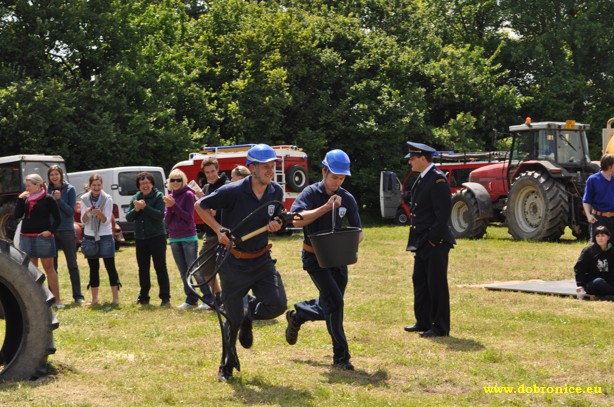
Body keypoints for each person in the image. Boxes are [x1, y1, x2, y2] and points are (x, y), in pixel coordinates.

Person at [195, 143, 287, 381]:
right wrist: (218, 230)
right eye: (265, 166)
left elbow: (277, 216)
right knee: (232, 319)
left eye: (272, 165)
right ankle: (226, 365)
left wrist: (277, 224)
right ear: (252, 168)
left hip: (262, 261)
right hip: (233, 263)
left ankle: (248, 315)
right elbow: (200, 206)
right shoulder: (233, 190)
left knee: (277, 305)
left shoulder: (275, 191)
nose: (270, 170)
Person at [285, 149, 364, 371]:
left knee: (331, 303)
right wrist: (326, 207)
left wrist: (352, 244)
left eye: (342, 178)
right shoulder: (310, 194)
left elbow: (359, 231)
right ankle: (341, 357)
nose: (337, 182)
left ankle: (299, 314)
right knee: (336, 303)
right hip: (314, 258)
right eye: (334, 177)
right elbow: (296, 221)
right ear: (323, 171)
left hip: (339, 259)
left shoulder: (347, 197)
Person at [403, 142, 456, 338]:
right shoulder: (423, 178)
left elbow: (442, 215)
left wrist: (433, 240)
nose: (409, 161)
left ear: (422, 158)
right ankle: (423, 321)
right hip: (422, 241)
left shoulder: (437, 180)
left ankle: (440, 326)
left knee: (436, 284)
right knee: (420, 281)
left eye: (412, 158)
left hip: (435, 242)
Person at [14, 174, 64, 308]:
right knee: (32, 271)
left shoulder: (48, 199)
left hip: (43, 238)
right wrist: (20, 199)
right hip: (27, 238)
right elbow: (16, 215)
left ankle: (57, 300)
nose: (27, 188)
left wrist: (50, 232)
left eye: (29, 185)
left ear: (37, 185)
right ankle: (37, 301)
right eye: (26, 186)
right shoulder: (25, 199)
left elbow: (58, 219)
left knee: (49, 268)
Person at [126, 172, 171, 306]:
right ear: (139, 186)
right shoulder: (135, 197)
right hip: (141, 238)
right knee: (143, 268)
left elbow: (159, 215)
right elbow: (129, 217)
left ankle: (165, 297)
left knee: (160, 267)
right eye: (142, 183)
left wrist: (144, 207)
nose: (145, 185)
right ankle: (144, 296)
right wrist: (137, 209)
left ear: (152, 184)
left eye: (147, 183)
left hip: (157, 236)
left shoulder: (158, 196)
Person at [163, 169, 202, 310]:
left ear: (183, 181)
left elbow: (188, 217)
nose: (175, 182)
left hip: (188, 237)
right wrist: (169, 207)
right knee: (183, 270)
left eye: (178, 180)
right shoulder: (170, 196)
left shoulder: (188, 195)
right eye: (172, 180)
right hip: (174, 238)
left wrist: (173, 206)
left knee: (194, 269)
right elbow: (167, 221)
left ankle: (207, 298)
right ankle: (191, 299)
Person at [193, 157, 228, 309]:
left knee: (226, 267)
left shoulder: (227, 186)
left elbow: (232, 207)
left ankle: (230, 298)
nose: (210, 175)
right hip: (210, 234)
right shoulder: (206, 188)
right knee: (204, 265)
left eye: (212, 171)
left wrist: (217, 211)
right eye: (207, 172)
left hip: (226, 232)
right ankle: (219, 296)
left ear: (217, 169)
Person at [81, 175, 121, 305]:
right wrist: (86, 213)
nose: (96, 188)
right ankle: (94, 300)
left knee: (110, 266)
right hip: (89, 236)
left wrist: (100, 214)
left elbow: (106, 221)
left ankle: (115, 298)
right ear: (90, 186)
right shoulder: (84, 199)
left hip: (105, 236)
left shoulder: (107, 199)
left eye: (99, 185)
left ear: (102, 185)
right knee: (93, 268)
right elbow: (83, 221)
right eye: (94, 185)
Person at [47, 165, 85, 304]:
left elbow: (70, 211)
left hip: (67, 230)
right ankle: (52, 297)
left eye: (56, 174)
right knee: (52, 265)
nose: (54, 177)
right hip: (52, 231)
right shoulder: (47, 190)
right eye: (52, 175)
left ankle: (78, 296)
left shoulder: (70, 189)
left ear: (61, 175)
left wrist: (59, 200)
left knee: (72, 264)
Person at [574, 225, 614, 297]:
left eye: (603, 236)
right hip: (592, 282)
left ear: (608, 237)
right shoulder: (588, 251)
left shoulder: (612, 251)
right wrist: (580, 285)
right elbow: (579, 268)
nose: (600, 238)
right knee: (599, 282)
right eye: (597, 236)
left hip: (608, 281)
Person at [583, 154, 614, 239]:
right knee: (597, 247)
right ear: (609, 166)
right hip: (598, 219)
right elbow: (586, 201)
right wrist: (589, 215)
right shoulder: (593, 180)